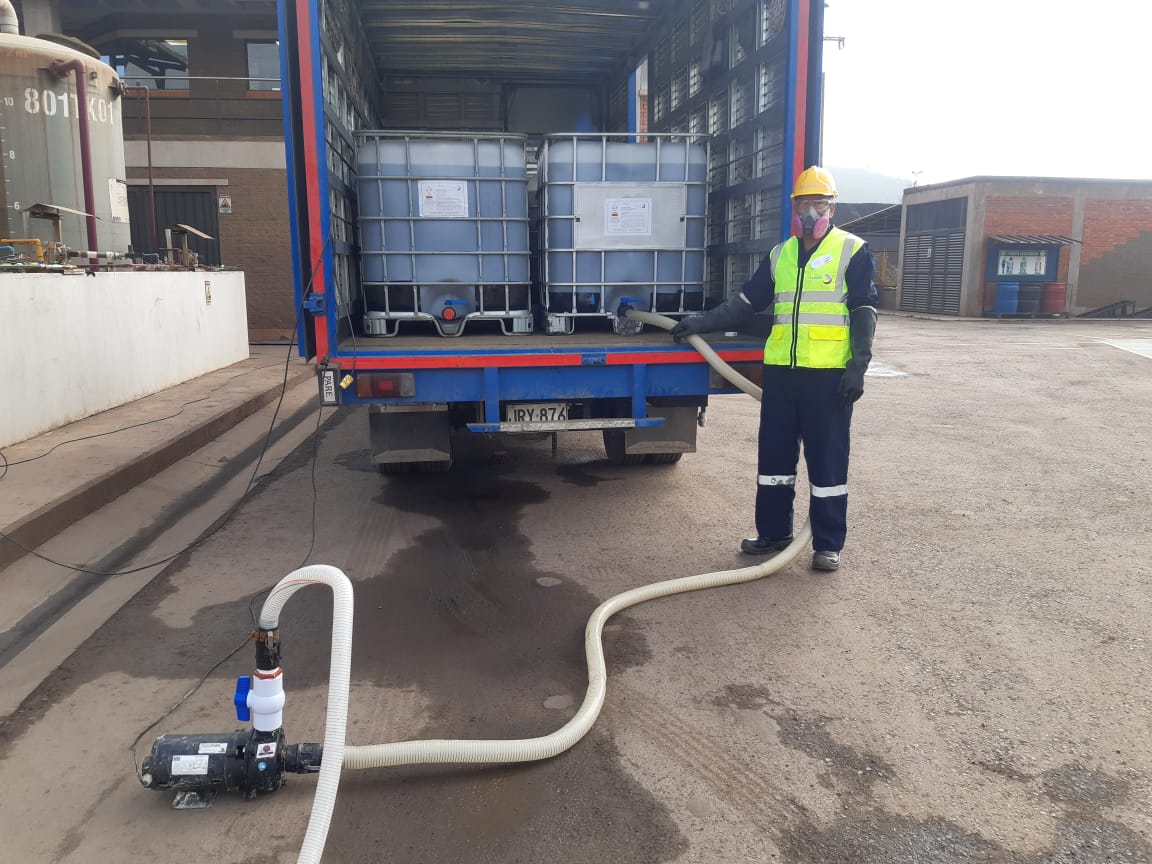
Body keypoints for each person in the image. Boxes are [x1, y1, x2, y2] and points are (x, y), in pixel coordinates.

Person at [671, 166, 878, 572]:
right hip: (782, 373)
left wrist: (859, 364)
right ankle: (773, 533)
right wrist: (702, 322)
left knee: (827, 463)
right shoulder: (780, 255)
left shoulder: (853, 251)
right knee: (774, 460)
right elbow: (747, 303)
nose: (811, 212)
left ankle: (827, 544)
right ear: (794, 208)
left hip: (828, 377)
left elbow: (863, 309)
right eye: (804, 204)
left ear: (832, 208)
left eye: (820, 204)